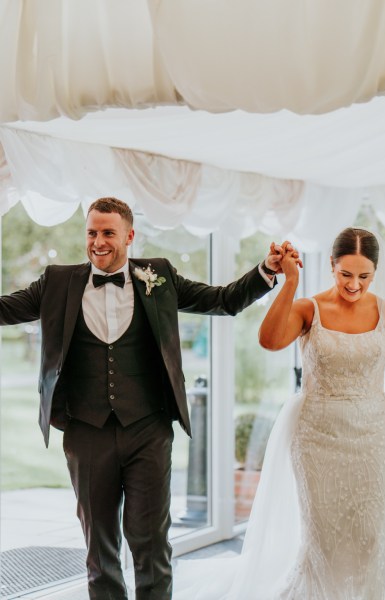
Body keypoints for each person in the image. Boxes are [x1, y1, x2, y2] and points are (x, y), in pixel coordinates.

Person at [0, 196, 297, 600]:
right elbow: (5, 309)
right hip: (86, 433)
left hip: (148, 430)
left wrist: (266, 271)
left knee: (151, 543)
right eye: (91, 232)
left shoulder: (158, 276)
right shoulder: (57, 281)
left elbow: (223, 301)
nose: (98, 242)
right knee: (99, 549)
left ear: (129, 235)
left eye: (108, 233)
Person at [173, 227, 385, 600]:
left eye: (364, 276)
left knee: (372, 535)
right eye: (346, 274)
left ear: (375, 273)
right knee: (324, 537)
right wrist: (290, 282)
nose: (355, 285)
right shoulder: (310, 308)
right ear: (331, 266)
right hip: (319, 437)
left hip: (375, 438)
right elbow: (269, 339)